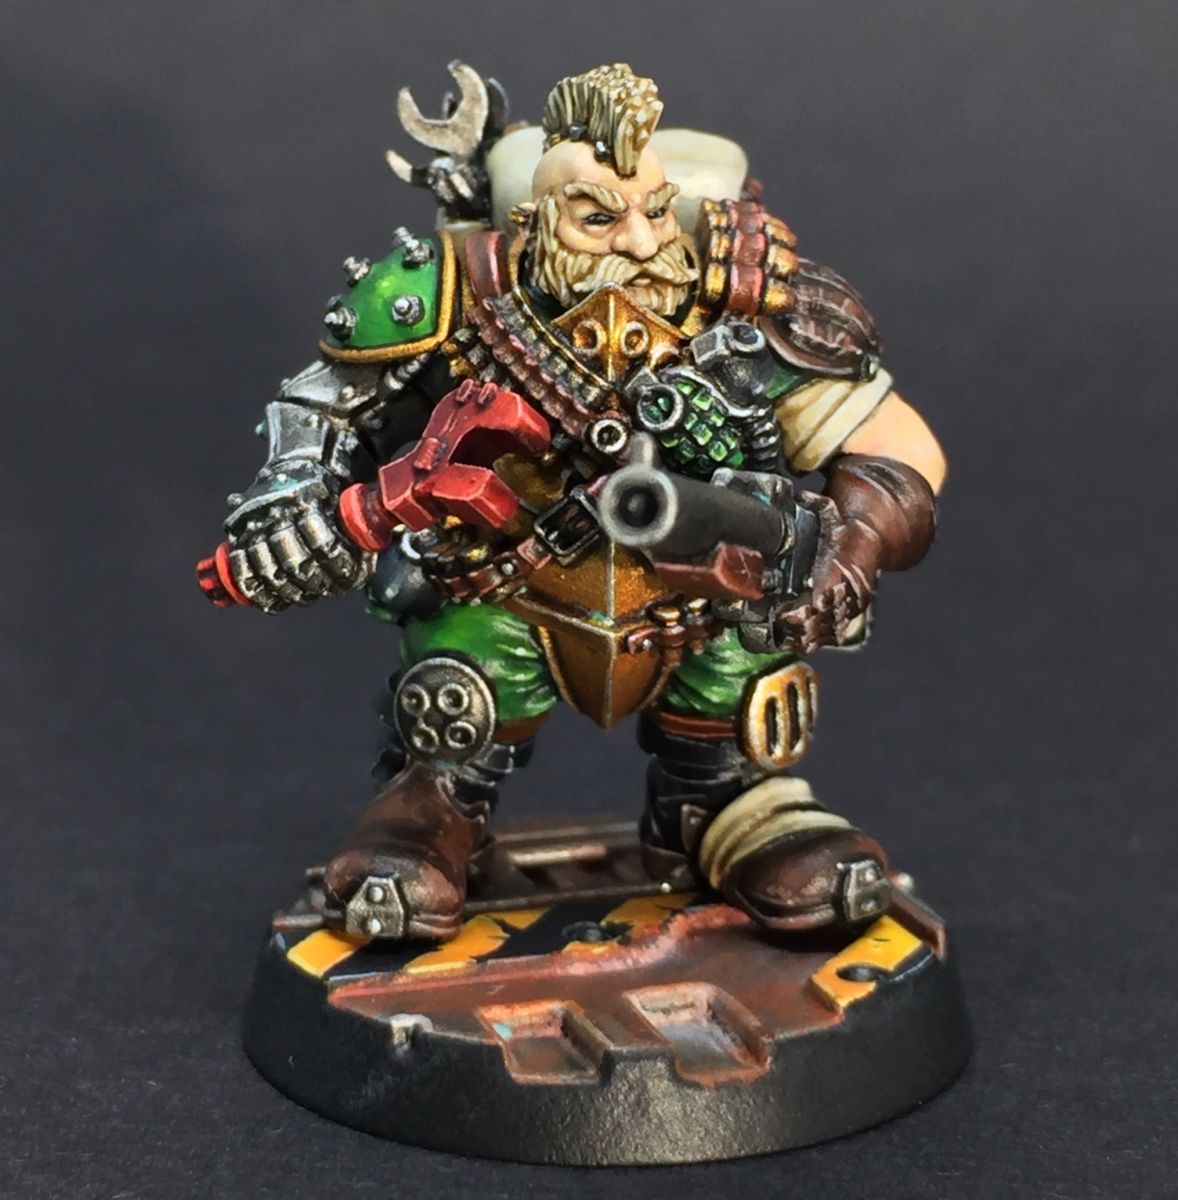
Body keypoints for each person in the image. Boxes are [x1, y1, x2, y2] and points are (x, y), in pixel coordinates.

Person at [198, 63, 946, 944]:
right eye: (598, 217)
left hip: (703, 602)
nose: (641, 241)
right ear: (533, 223)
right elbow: (320, 415)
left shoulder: (747, 305)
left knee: (743, 685)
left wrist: (851, 549)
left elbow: (900, 448)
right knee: (457, 700)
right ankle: (434, 812)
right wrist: (301, 507)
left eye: (657, 210)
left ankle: (731, 810)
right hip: (506, 590)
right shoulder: (456, 296)